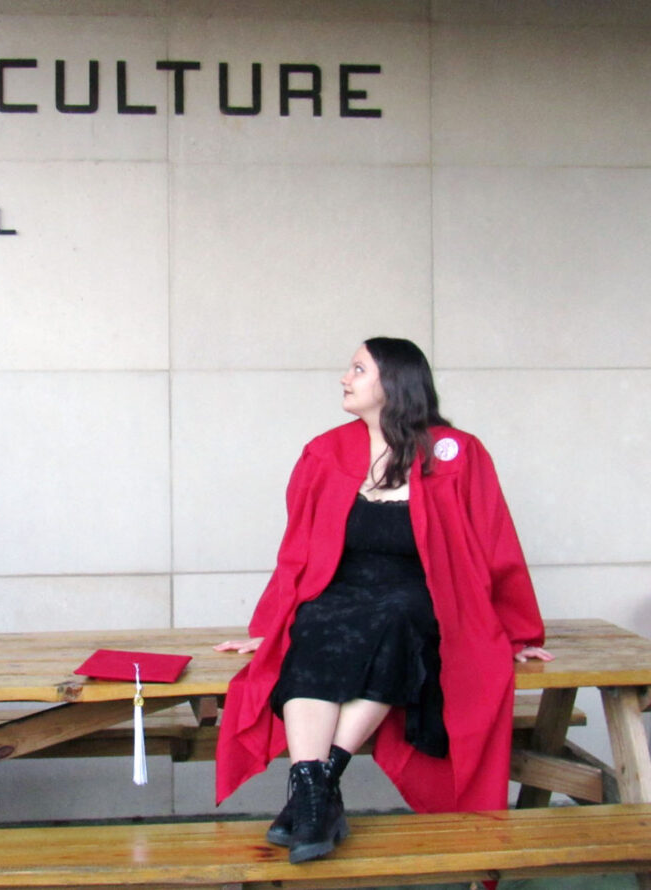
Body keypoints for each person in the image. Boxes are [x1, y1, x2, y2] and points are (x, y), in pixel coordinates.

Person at [214, 337, 552, 866]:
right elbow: (297, 550)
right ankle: (315, 792)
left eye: (357, 369)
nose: (344, 379)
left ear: (394, 381)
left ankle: (311, 795)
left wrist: (517, 630)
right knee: (313, 624)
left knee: (394, 619)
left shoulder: (457, 453)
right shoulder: (326, 452)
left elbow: (495, 543)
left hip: (422, 594)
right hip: (341, 591)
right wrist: (273, 622)